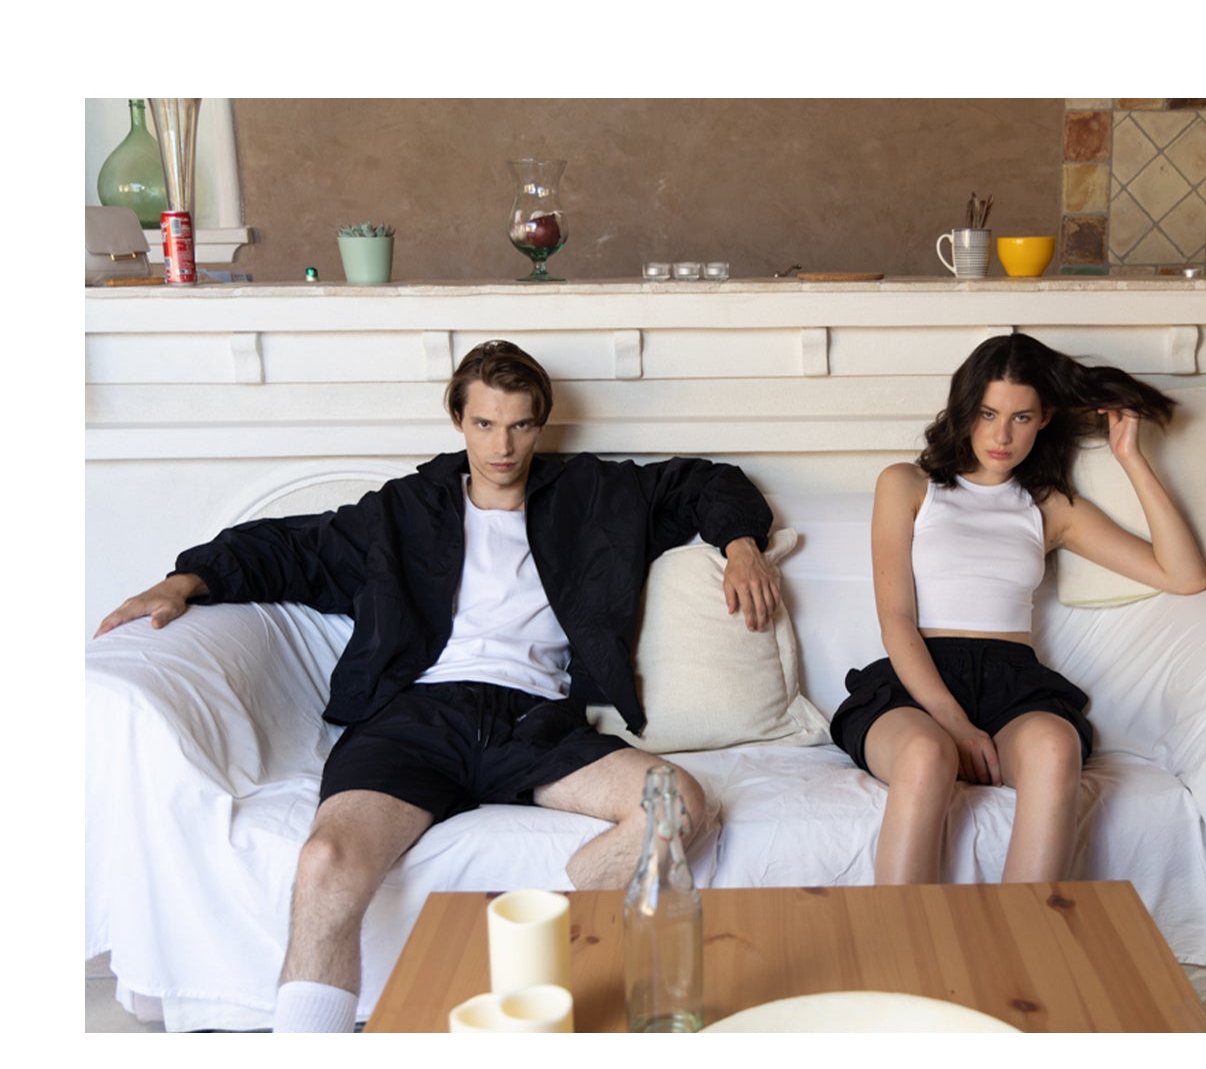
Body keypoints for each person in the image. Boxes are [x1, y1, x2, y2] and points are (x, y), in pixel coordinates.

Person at [91, 340, 784, 1032]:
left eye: (519, 425)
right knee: (326, 859)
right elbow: (287, 548)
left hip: (536, 720)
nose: (502, 445)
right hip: (416, 715)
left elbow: (711, 481)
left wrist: (741, 544)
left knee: (682, 806)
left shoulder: (594, 496)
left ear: (541, 426)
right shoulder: (405, 511)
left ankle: (524, 964)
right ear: (458, 419)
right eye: (485, 423)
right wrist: (182, 582)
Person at [833, 330, 1206, 886]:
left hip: (1014, 685)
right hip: (920, 679)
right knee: (924, 757)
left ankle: (1024, 950)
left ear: (1046, 419)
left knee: (1057, 748)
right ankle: (900, 957)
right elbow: (896, 620)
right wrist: (954, 723)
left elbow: (1185, 575)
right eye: (987, 413)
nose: (1001, 436)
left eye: (1021, 418)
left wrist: (1130, 457)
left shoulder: (1050, 507)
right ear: (964, 409)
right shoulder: (908, 485)